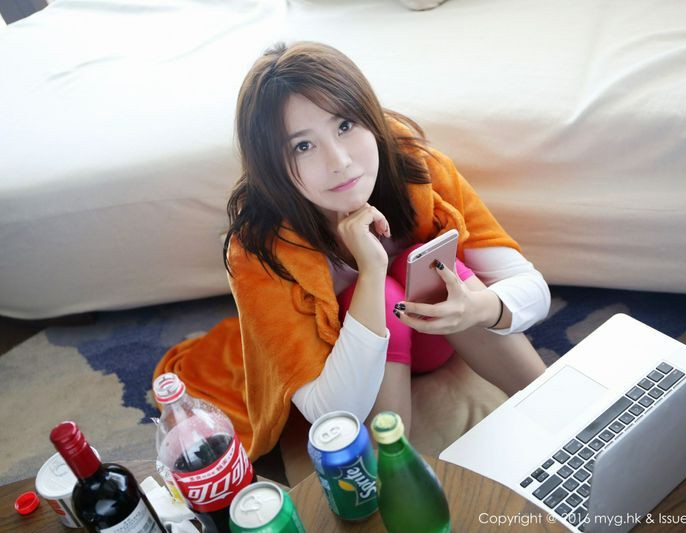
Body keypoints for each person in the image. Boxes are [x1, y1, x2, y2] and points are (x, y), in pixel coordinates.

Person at [155, 41, 550, 462]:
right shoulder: (257, 250)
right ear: (273, 167)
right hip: (359, 379)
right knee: (383, 296)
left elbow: (532, 289)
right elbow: (328, 412)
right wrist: (371, 270)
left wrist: (478, 308)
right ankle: (393, 470)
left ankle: (563, 413)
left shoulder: (418, 169)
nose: (339, 161)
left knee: (426, 263)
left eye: (345, 125)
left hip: (444, 335)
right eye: (302, 146)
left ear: (370, 119)